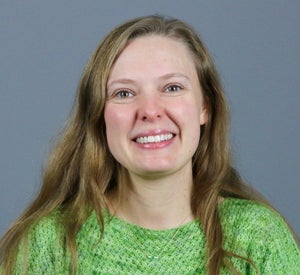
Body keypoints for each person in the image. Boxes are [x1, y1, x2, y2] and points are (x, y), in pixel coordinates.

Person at [0, 15, 299, 275]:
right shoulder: (48, 243)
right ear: (99, 116)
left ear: (204, 108)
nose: (150, 110)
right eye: (124, 93)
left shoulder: (259, 238)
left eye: (172, 88)